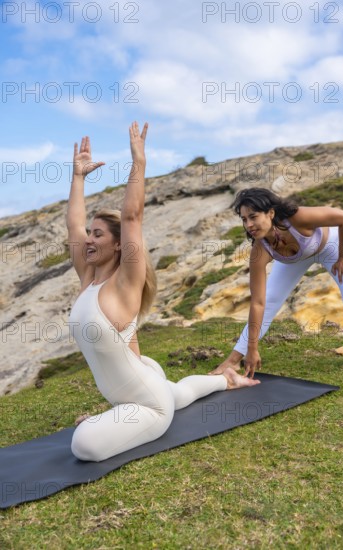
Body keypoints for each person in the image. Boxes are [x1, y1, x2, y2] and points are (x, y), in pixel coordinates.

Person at [66, 123, 260, 462]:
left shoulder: (125, 283)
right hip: (139, 379)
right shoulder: (88, 280)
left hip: (148, 405)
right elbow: (72, 225)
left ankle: (220, 381)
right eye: (89, 234)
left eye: (98, 235)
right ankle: (226, 379)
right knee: (180, 392)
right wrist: (78, 177)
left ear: (117, 246)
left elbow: (132, 216)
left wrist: (138, 160)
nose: (89, 240)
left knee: (84, 445)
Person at [210, 187, 343, 378]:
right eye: (244, 220)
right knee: (270, 299)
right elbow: (258, 303)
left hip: (330, 247)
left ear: (271, 213)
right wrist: (252, 349)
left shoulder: (298, 218)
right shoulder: (260, 250)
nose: (249, 224)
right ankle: (233, 361)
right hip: (296, 258)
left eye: (253, 216)